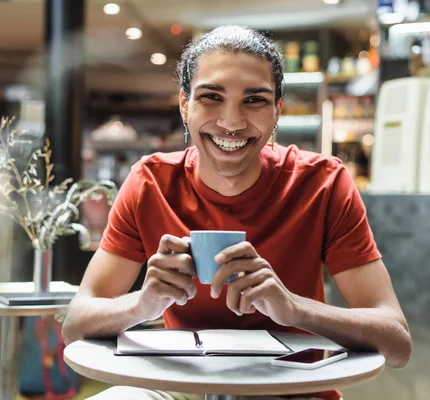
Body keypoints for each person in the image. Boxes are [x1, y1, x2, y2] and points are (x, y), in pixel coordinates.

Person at [62, 26, 412, 400]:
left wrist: (294, 309)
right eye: (211, 97)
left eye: (255, 100)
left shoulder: (323, 184)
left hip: (293, 392)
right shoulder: (150, 183)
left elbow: (397, 344)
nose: (231, 122)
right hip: (183, 388)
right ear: (185, 105)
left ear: (277, 110)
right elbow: (76, 324)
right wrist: (143, 304)